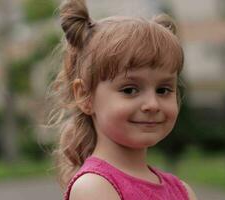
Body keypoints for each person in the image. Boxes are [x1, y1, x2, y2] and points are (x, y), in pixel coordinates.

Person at [47, 0, 197, 199]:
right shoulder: (94, 187)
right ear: (84, 95)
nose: (152, 104)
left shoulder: (182, 191)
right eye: (129, 90)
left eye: (163, 90)